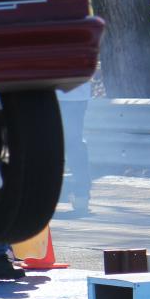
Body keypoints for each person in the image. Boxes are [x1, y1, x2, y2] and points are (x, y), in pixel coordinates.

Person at [58, 79, 92, 215]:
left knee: (62, 144)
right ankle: (82, 194)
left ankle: (79, 193)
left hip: (57, 93)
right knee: (74, 143)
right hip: (78, 93)